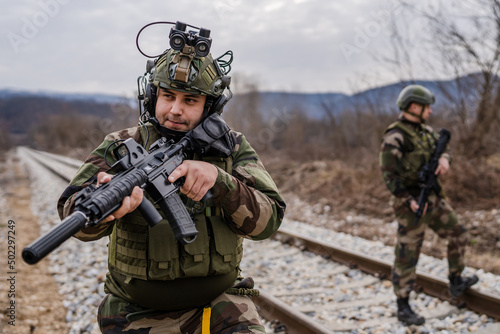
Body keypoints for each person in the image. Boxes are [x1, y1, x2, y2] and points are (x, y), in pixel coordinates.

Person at [57, 21, 286, 333]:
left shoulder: (230, 147)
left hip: (221, 305)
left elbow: (269, 222)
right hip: (135, 311)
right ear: (153, 97)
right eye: (168, 96)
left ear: (210, 106)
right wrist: (105, 211)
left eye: (190, 100)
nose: (175, 110)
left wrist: (221, 182)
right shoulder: (122, 144)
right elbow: (71, 215)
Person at [379, 84, 478, 326]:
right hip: (410, 203)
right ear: (414, 106)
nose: (430, 111)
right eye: (427, 107)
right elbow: (388, 175)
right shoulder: (396, 136)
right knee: (408, 253)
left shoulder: (427, 133)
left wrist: (445, 159)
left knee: (459, 234)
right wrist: (409, 201)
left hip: (433, 199)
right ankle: (403, 305)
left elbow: (447, 149)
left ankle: (456, 279)